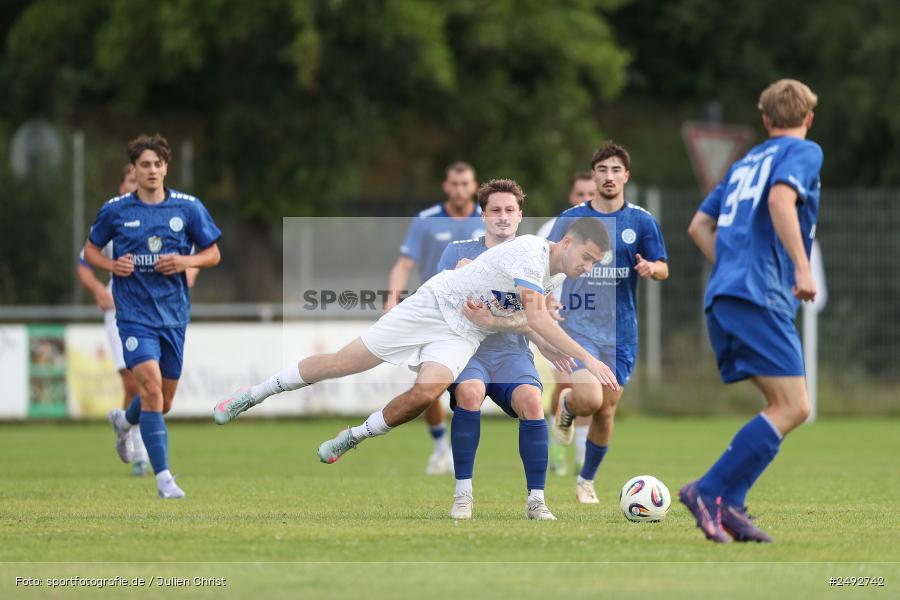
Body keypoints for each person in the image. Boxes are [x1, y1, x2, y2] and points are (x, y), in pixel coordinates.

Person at [215, 180, 620, 518]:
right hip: (432, 306)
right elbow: (534, 316)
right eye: (586, 257)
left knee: (426, 394)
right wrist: (585, 357)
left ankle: (353, 436)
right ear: (567, 242)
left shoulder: (555, 277)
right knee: (343, 363)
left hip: (464, 332)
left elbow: (524, 319)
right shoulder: (531, 251)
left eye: (594, 262)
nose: (587, 267)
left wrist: (540, 343)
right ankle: (253, 395)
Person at [681, 79, 822, 543]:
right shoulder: (803, 152)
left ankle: (730, 505)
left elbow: (699, 225)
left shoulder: (745, 162)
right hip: (759, 296)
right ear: (808, 118)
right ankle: (708, 492)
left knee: (782, 404)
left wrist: (731, 268)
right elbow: (782, 200)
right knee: (794, 405)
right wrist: (802, 268)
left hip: (726, 295)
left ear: (765, 119)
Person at [85, 134, 222, 499]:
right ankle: (164, 478)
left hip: (173, 315)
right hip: (132, 315)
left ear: (166, 167)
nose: (151, 170)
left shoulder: (188, 208)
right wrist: (113, 265)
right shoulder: (116, 210)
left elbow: (213, 253)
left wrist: (186, 260)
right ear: (134, 169)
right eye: (143, 165)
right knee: (150, 386)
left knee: (163, 402)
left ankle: (125, 421)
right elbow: (89, 252)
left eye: (156, 164)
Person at [439, 184, 575, 520]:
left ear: (520, 216)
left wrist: (545, 342)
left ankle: (537, 501)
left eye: (510, 210)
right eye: (495, 210)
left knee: (532, 401)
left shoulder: (536, 260)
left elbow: (536, 318)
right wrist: (462, 280)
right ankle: (463, 495)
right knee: (470, 393)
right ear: (482, 214)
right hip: (467, 350)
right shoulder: (456, 252)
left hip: (512, 355)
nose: (503, 217)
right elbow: (439, 305)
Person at [548, 142, 669, 504]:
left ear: (626, 176)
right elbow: (547, 262)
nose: (609, 176)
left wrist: (652, 269)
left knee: (607, 409)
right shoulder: (572, 217)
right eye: (602, 169)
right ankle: (569, 404)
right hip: (578, 325)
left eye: (616, 170)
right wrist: (549, 297)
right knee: (589, 397)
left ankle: (586, 481)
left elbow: (664, 266)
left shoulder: (641, 221)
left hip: (621, 331)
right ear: (594, 174)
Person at [384, 162, 485, 475]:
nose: (459, 189)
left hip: (477, 315)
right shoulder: (426, 221)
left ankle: (459, 451)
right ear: (446, 186)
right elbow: (404, 263)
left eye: (465, 183)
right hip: (435, 312)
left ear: (474, 185)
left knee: (468, 387)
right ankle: (442, 447)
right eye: (454, 184)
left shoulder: (489, 217)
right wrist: (392, 299)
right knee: (426, 388)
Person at [537, 172, 599, 476]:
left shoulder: (604, 232)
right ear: (571, 197)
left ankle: (583, 451)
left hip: (593, 321)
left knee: (589, 387)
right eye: (579, 193)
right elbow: (536, 269)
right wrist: (547, 302)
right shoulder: (554, 228)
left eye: (591, 192)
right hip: (560, 316)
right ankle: (559, 450)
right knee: (565, 384)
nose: (585, 198)